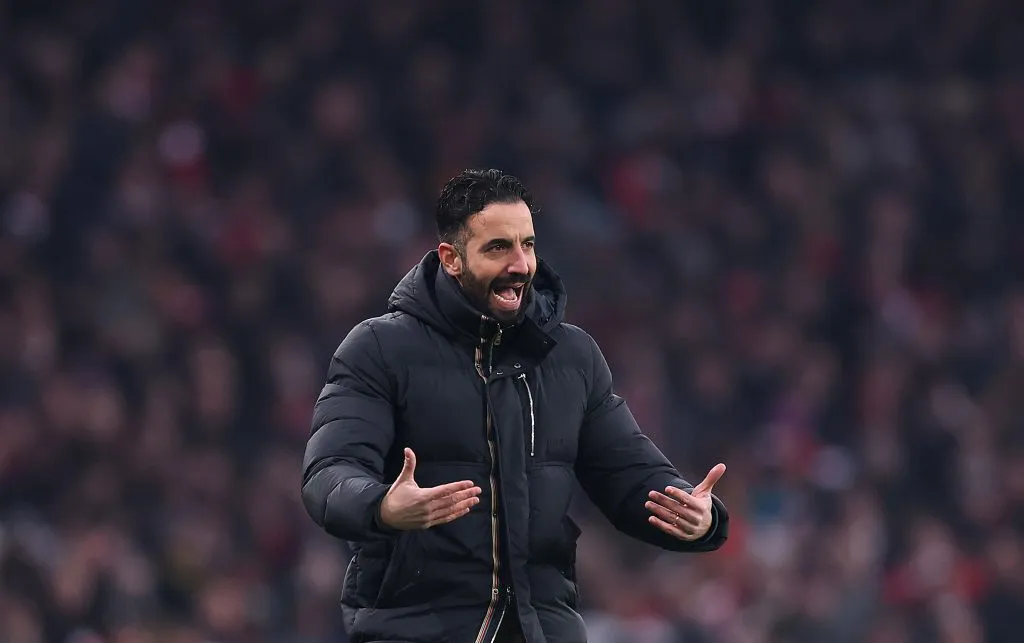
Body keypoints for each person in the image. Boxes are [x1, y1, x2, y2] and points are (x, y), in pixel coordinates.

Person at [301, 169, 730, 643]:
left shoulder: (572, 356)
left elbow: (629, 474)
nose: (521, 264)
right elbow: (328, 473)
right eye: (498, 247)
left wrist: (697, 516)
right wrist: (381, 505)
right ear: (451, 259)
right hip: (415, 629)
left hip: (542, 628)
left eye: (527, 244)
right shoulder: (379, 349)